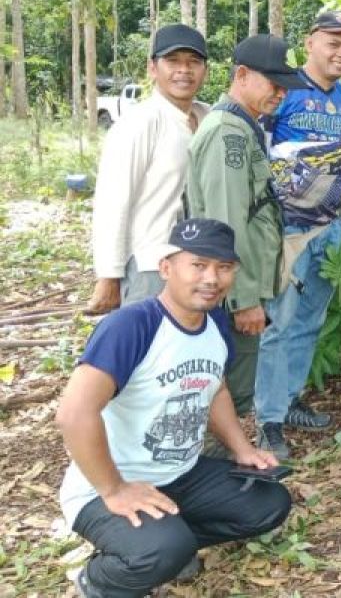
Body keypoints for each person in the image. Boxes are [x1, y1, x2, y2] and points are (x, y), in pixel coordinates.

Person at [58, 218, 292, 598]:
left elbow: (214, 388)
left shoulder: (215, 322)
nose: (212, 278)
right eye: (198, 265)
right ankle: (99, 580)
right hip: (104, 486)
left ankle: (165, 537)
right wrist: (114, 489)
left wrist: (242, 449)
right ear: (166, 268)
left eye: (224, 267)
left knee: (268, 504)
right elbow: (74, 413)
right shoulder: (132, 325)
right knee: (164, 550)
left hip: (179, 472)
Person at [254, 12, 341, 459]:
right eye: (335, 44)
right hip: (288, 231)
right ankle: (267, 420)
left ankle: (288, 401)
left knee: (308, 321)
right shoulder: (282, 92)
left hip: (329, 230)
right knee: (280, 322)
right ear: (311, 42)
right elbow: (256, 151)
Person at [186, 34, 306, 428]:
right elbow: (226, 222)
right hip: (228, 293)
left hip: (234, 287)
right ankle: (217, 475)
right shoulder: (228, 134)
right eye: (274, 84)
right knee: (229, 393)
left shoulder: (242, 126)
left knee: (233, 389)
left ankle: (223, 471)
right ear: (242, 75)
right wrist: (244, 300)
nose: (281, 95)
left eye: (285, 87)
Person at [88, 24, 210, 312]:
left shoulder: (206, 116)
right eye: (173, 61)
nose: (184, 70)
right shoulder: (140, 122)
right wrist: (109, 275)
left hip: (200, 262)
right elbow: (112, 201)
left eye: (193, 62)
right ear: (153, 68)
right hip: (152, 264)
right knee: (150, 349)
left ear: (205, 70)